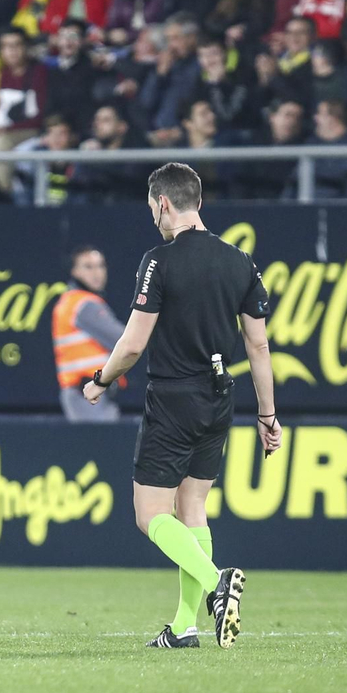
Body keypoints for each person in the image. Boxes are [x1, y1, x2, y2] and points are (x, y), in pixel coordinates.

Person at [81, 163, 277, 649]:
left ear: (164, 203)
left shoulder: (159, 260)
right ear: (199, 202)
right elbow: (258, 347)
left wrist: (101, 380)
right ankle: (185, 628)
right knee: (193, 509)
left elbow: (132, 343)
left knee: (150, 515)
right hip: (220, 397)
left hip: (174, 396)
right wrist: (268, 415)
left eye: (152, 208)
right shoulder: (241, 262)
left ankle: (217, 586)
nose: (153, 216)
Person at [51, 246, 128, 421]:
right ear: (74, 271)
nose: (97, 272)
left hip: (89, 393)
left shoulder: (72, 302)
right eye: (88, 266)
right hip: (87, 395)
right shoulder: (83, 305)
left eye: (100, 266)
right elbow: (124, 339)